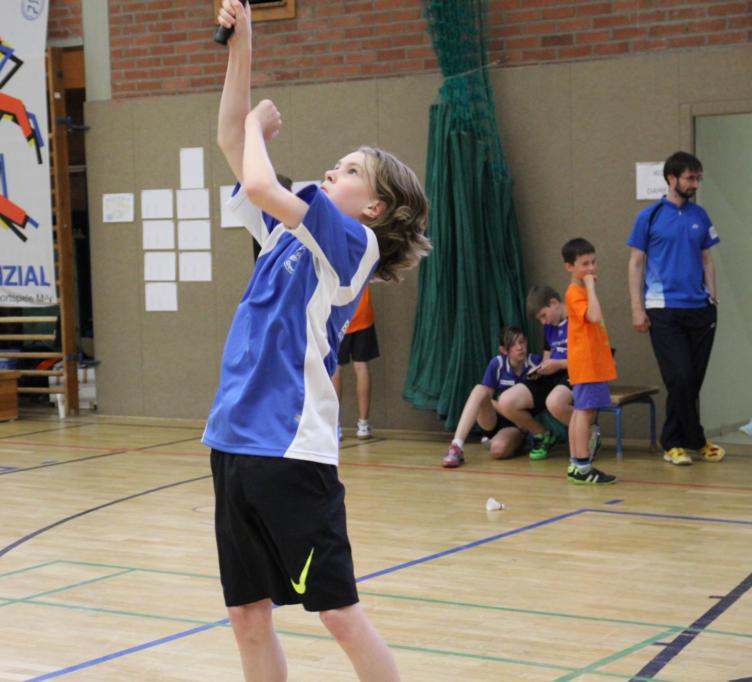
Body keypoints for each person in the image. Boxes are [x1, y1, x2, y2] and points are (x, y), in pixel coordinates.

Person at [203, 2, 430, 679]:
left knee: (338, 614)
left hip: (290, 451)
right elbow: (231, 141)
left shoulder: (352, 244)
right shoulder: (287, 231)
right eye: (336, 165)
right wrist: (243, 42)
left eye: (350, 170)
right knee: (247, 616)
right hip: (232, 440)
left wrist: (258, 130)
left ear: (375, 208)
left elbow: (256, 174)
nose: (334, 171)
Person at [627, 151, 724, 466]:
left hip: (701, 310)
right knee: (680, 377)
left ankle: (677, 442)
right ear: (672, 178)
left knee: (691, 381)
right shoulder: (649, 216)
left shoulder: (700, 215)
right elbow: (636, 263)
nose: (695, 184)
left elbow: (707, 259)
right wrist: (637, 308)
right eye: (690, 178)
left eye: (698, 178)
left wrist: (712, 297)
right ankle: (691, 439)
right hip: (663, 309)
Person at [498, 285, 598, 460]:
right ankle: (544, 434)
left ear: (554, 303)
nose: (543, 322)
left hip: (574, 372)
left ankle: (589, 432)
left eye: (543, 315)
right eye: (540, 319)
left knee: (555, 402)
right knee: (506, 401)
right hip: (553, 373)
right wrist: (540, 369)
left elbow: (588, 360)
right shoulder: (550, 326)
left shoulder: (578, 320)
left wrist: (559, 364)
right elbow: (547, 357)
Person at [442, 325, 541, 468]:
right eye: (513, 344)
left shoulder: (535, 363)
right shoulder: (497, 364)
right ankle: (456, 446)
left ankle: (505, 442)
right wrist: (506, 409)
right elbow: (487, 399)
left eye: (522, 342)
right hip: (493, 419)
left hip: (518, 425)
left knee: (498, 451)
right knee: (479, 390)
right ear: (504, 350)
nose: (520, 347)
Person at [562, 238, 617, 484]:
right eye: (584, 264)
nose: (591, 268)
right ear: (569, 267)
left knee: (581, 412)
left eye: (593, 262)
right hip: (586, 364)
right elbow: (594, 316)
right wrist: (591, 287)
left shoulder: (580, 292)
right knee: (585, 414)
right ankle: (583, 466)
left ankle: (576, 464)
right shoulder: (576, 293)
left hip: (591, 362)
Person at [332, 286, 379, 439]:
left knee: (335, 368)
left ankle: (335, 426)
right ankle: (363, 425)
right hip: (362, 312)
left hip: (338, 314)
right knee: (361, 366)